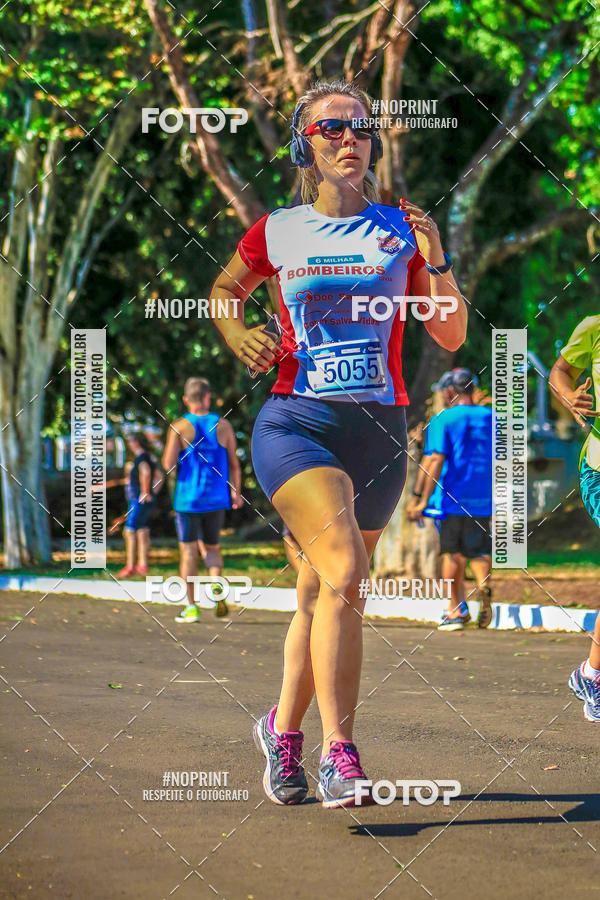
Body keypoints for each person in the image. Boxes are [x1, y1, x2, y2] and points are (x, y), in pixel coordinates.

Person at [208, 78, 467, 807]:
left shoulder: (399, 229)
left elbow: (448, 334)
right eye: (332, 131)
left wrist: (437, 256)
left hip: (378, 432)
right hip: (297, 422)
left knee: (322, 591)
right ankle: (339, 755)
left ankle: (281, 732)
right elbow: (225, 291)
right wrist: (236, 330)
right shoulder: (277, 230)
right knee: (348, 571)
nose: (350, 140)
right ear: (304, 146)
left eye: (360, 129)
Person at [409, 368, 493, 630]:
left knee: (451, 552)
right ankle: (483, 585)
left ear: (450, 392)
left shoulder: (443, 418)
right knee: (479, 549)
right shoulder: (493, 417)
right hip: (484, 497)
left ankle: (455, 610)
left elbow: (435, 459)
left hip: (451, 498)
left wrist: (421, 499)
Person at [549, 315, 600, 722]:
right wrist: (568, 396)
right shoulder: (593, 326)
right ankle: (593, 676)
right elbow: (561, 372)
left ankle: (589, 673)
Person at [162, 377, 242, 622]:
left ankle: (191, 607)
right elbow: (234, 465)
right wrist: (236, 492)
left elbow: (167, 465)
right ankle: (217, 589)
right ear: (208, 397)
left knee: (188, 553)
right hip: (216, 498)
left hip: (188, 500)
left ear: (186, 400)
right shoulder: (224, 425)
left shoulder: (179, 426)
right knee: (213, 548)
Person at [117, 432, 163, 577]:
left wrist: (145, 492)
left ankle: (130, 566)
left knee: (129, 531)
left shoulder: (141, 458)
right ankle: (142, 565)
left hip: (138, 499)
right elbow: (160, 478)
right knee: (142, 530)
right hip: (144, 499)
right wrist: (153, 492)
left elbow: (146, 472)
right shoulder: (148, 456)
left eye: (131, 441)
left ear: (136, 443)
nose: (129, 444)